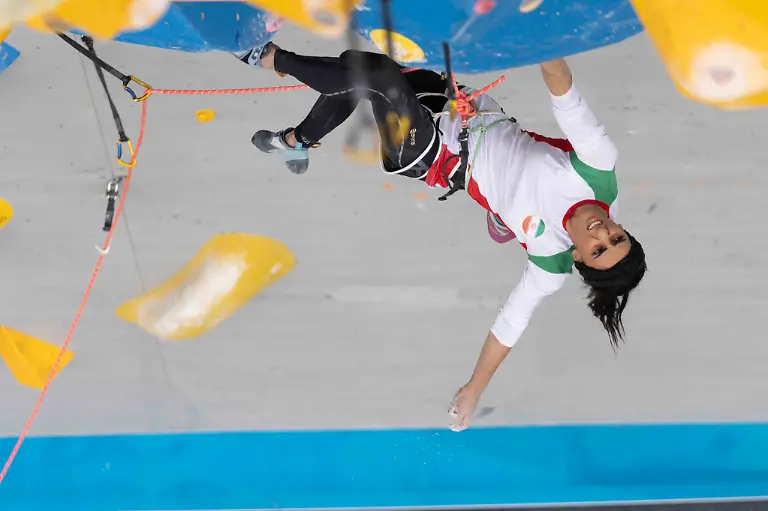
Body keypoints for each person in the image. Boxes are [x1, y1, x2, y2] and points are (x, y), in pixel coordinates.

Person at [237, 42, 647, 432]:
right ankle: (297, 143)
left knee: (377, 77)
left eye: (599, 250)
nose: (604, 234)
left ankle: (265, 56)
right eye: (618, 238)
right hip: (464, 109)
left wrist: (474, 389)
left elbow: (510, 324)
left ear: (578, 256)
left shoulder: (549, 262)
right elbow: (565, 94)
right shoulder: (597, 168)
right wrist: (544, 43)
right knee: (359, 65)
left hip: (434, 155)